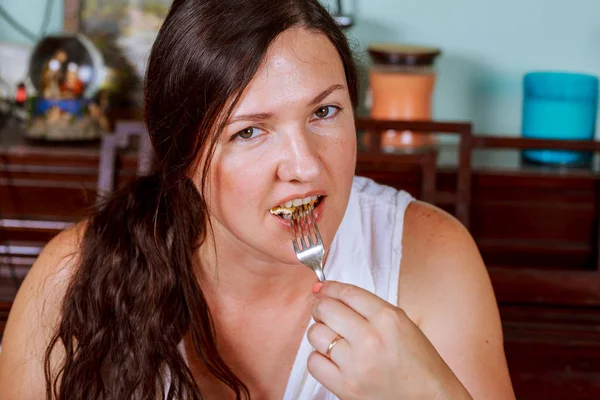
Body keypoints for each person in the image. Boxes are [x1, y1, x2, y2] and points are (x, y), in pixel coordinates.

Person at [0, 0, 515, 399]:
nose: (306, 166)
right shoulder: (70, 277)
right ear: (182, 155)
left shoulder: (431, 255)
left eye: (325, 112)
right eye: (249, 132)